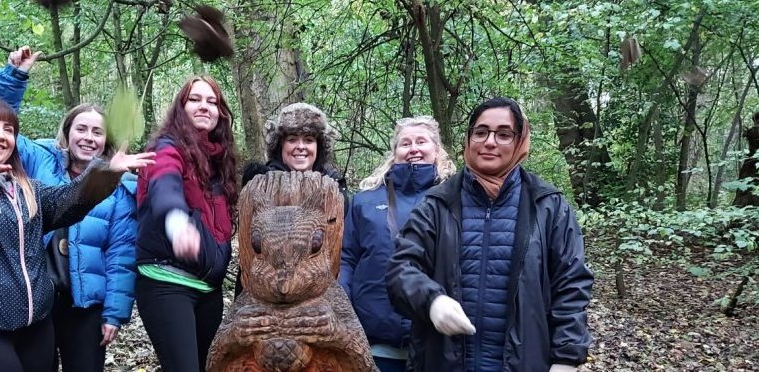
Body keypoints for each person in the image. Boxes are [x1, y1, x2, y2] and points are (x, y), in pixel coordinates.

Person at [0, 98, 153, 372]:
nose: (0, 134)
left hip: (33, 324)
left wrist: (105, 174)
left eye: (9, 129)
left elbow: (69, 201)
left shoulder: (27, 189)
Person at [386, 97, 594, 372]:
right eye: (481, 132)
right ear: (469, 138)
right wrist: (432, 300)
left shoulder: (547, 205)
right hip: (444, 361)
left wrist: (566, 358)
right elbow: (401, 269)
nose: (490, 142)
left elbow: (571, 284)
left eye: (504, 134)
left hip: (526, 362)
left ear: (519, 141)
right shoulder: (438, 203)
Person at [0, 47, 138, 371]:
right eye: (81, 129)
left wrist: (113, 313)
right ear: (67, 132)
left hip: (85, 305)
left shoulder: (116, 186)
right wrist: (14, 76)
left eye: (97, 132)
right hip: (34, 299)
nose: (88, 138)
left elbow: (121, 255)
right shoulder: (39, 159)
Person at [135, 76, 239, 372]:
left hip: (209, 289)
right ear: (181, 107)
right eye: (195, 99)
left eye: (212, 101)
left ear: (221, 111)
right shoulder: (166, 148)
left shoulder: (221, 163)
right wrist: (176, 221)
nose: (204, 106)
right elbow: (164, 184)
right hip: (167, 282)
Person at [340, 116, 456, 371]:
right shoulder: (365, 202)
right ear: (394, 153)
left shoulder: (455, 200)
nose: (413, 148)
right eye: (405, 143)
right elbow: (347, 258)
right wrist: (344, 305)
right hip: (374, 342)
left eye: (421, 141)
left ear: (436, 150)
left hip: (436, 344)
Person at [234, 102, 346, 296]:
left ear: (319, 146)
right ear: (280, 145)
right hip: (262, 289)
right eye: (292, 139)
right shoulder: (261, 183)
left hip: (318, 292)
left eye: (309, 140)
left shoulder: (333, 187)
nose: (300, 146)